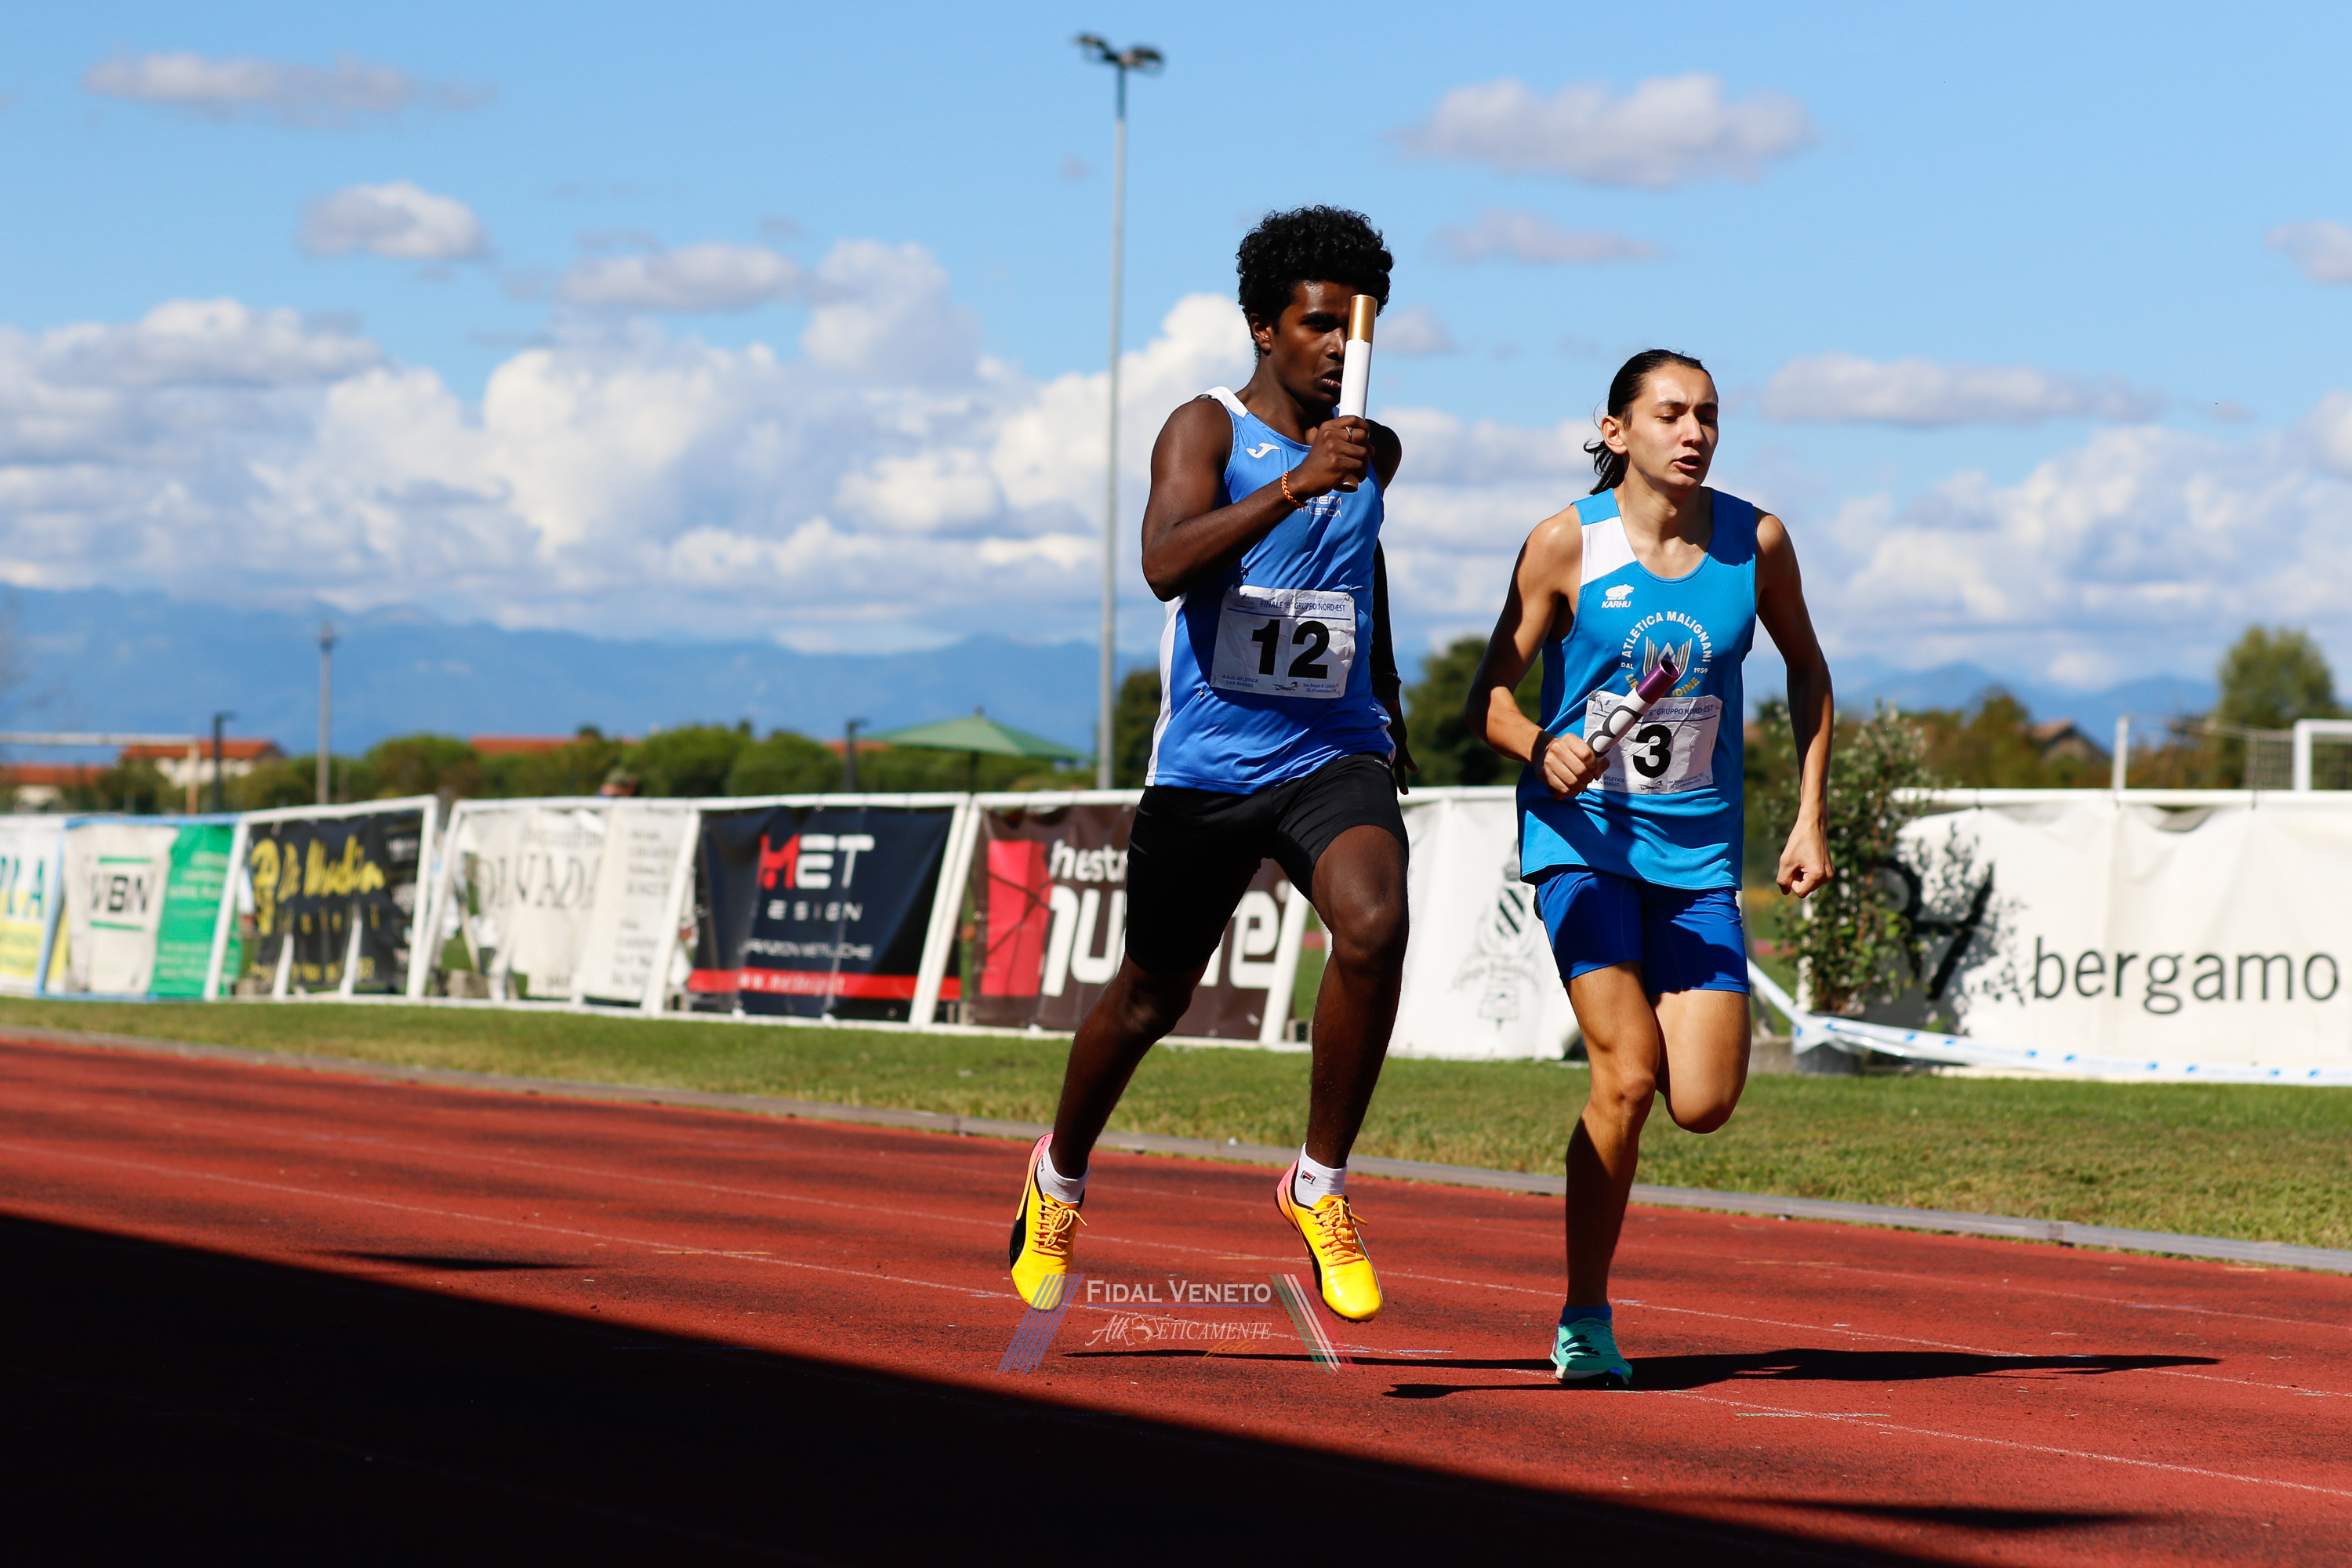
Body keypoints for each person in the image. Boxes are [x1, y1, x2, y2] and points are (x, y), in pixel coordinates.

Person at [1007, 207, 1416, 1322]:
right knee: (1151, 996)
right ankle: (1058, 1177)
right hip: (1210, 766)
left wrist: (1388, 696)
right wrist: (1293, 484)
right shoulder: (1207, 429)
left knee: (1375, 925)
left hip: (1332, 749)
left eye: (1354, 329)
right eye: (1317, 325)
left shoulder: (1373, 450)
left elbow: (1357, 572)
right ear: (1264, 328)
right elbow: (1162, 563)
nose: (1338, 348)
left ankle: (1318, 1183)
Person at [1465, 350, 1834, 1386]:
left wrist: (1808, 818)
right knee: (1626, 1076)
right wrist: (1539, 745)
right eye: (1671, 414)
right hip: (1582, 843)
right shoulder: (1563, 543)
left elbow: (1808, 670)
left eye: (1708, 415)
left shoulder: (1756, 542)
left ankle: (1630, 1094)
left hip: (1699, 857)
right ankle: (1585, 1317)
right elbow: (1488, 696)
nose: (1695, 433)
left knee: (1703, 1101)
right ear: (1616, 430)